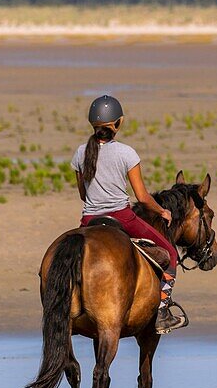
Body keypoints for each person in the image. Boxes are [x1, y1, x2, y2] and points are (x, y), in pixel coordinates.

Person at [71, 95, 187, 334]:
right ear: (118, 123)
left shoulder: (80, 153)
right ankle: (162, 312)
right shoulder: (126, 153)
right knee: (171, 255)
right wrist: (162, 211)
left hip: (88, 220)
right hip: (122, 217)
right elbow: (143, 197)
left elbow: (83, 195)